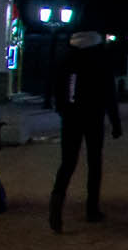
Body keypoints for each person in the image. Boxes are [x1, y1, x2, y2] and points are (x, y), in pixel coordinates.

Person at [49, 30, 123, 232]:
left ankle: (55, 208)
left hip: (71, 119)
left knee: (67, 163)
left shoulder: (66, 60)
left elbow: (58, 89)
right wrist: (115, 123)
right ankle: (92, 209)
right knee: (94, 163)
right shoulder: (100, 62)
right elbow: (109, 94)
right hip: (93, 118)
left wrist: (63, 110)